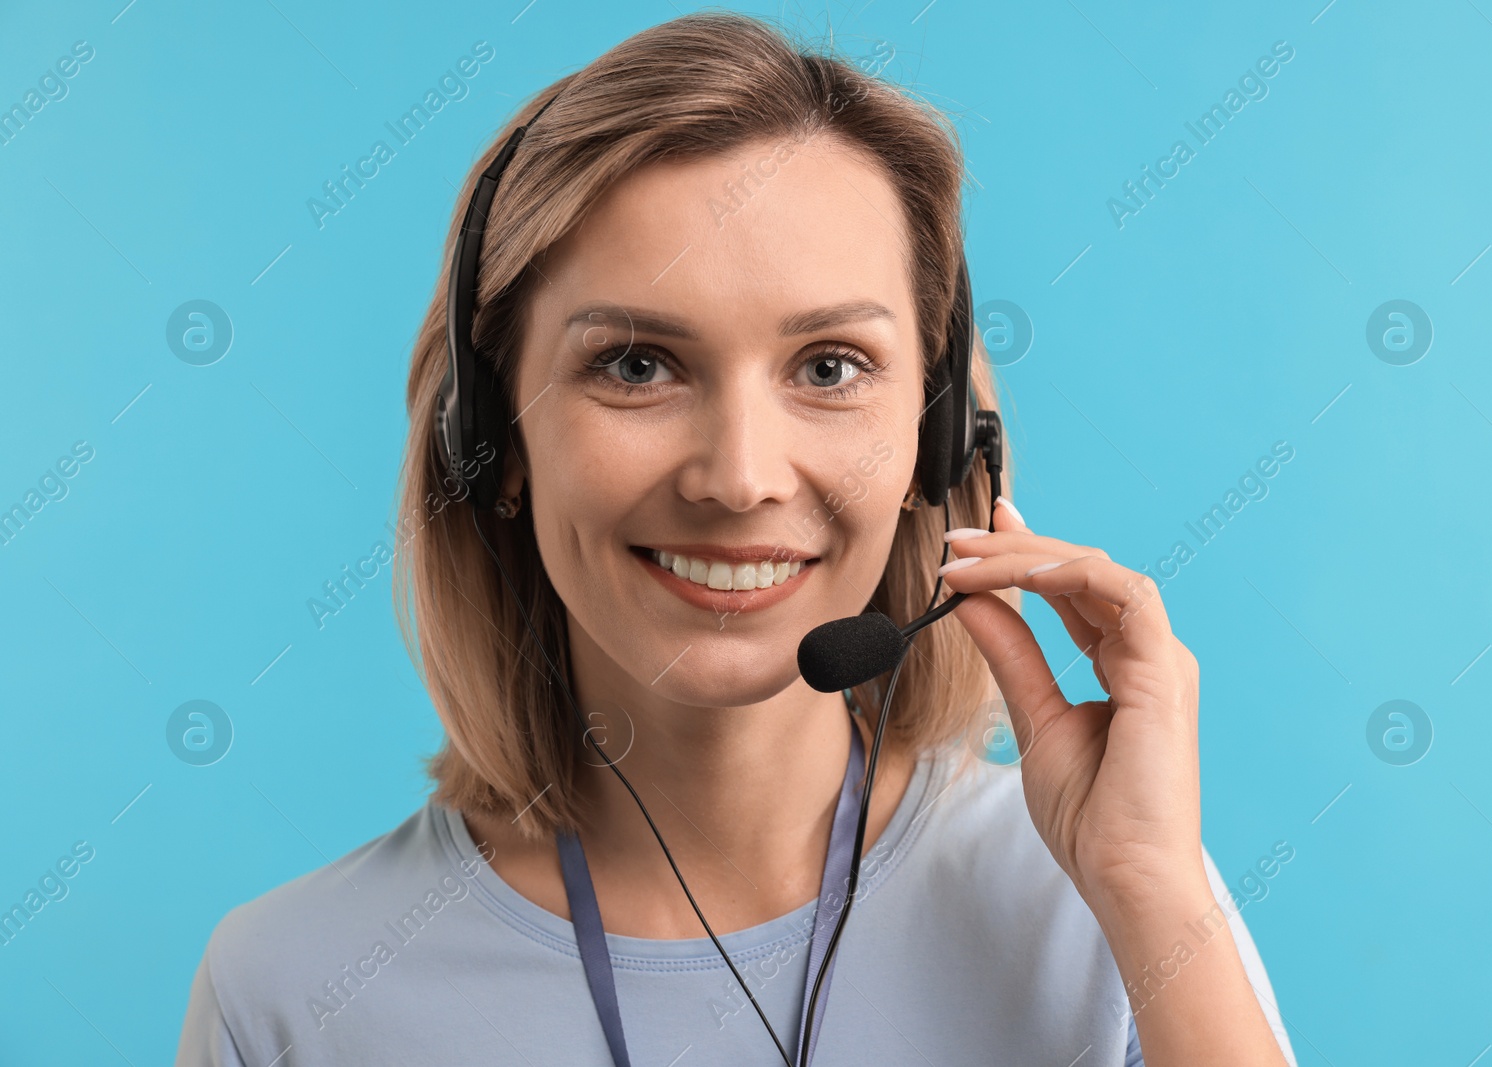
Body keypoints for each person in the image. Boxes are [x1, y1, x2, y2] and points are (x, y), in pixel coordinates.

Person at [174, 12, 1296, 1066]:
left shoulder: (1106, 904)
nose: (740, 477)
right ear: (495, 439)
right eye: (635, 364)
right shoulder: (293, 992)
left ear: (939, 437)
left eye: (827, 367)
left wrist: (1151, 891)